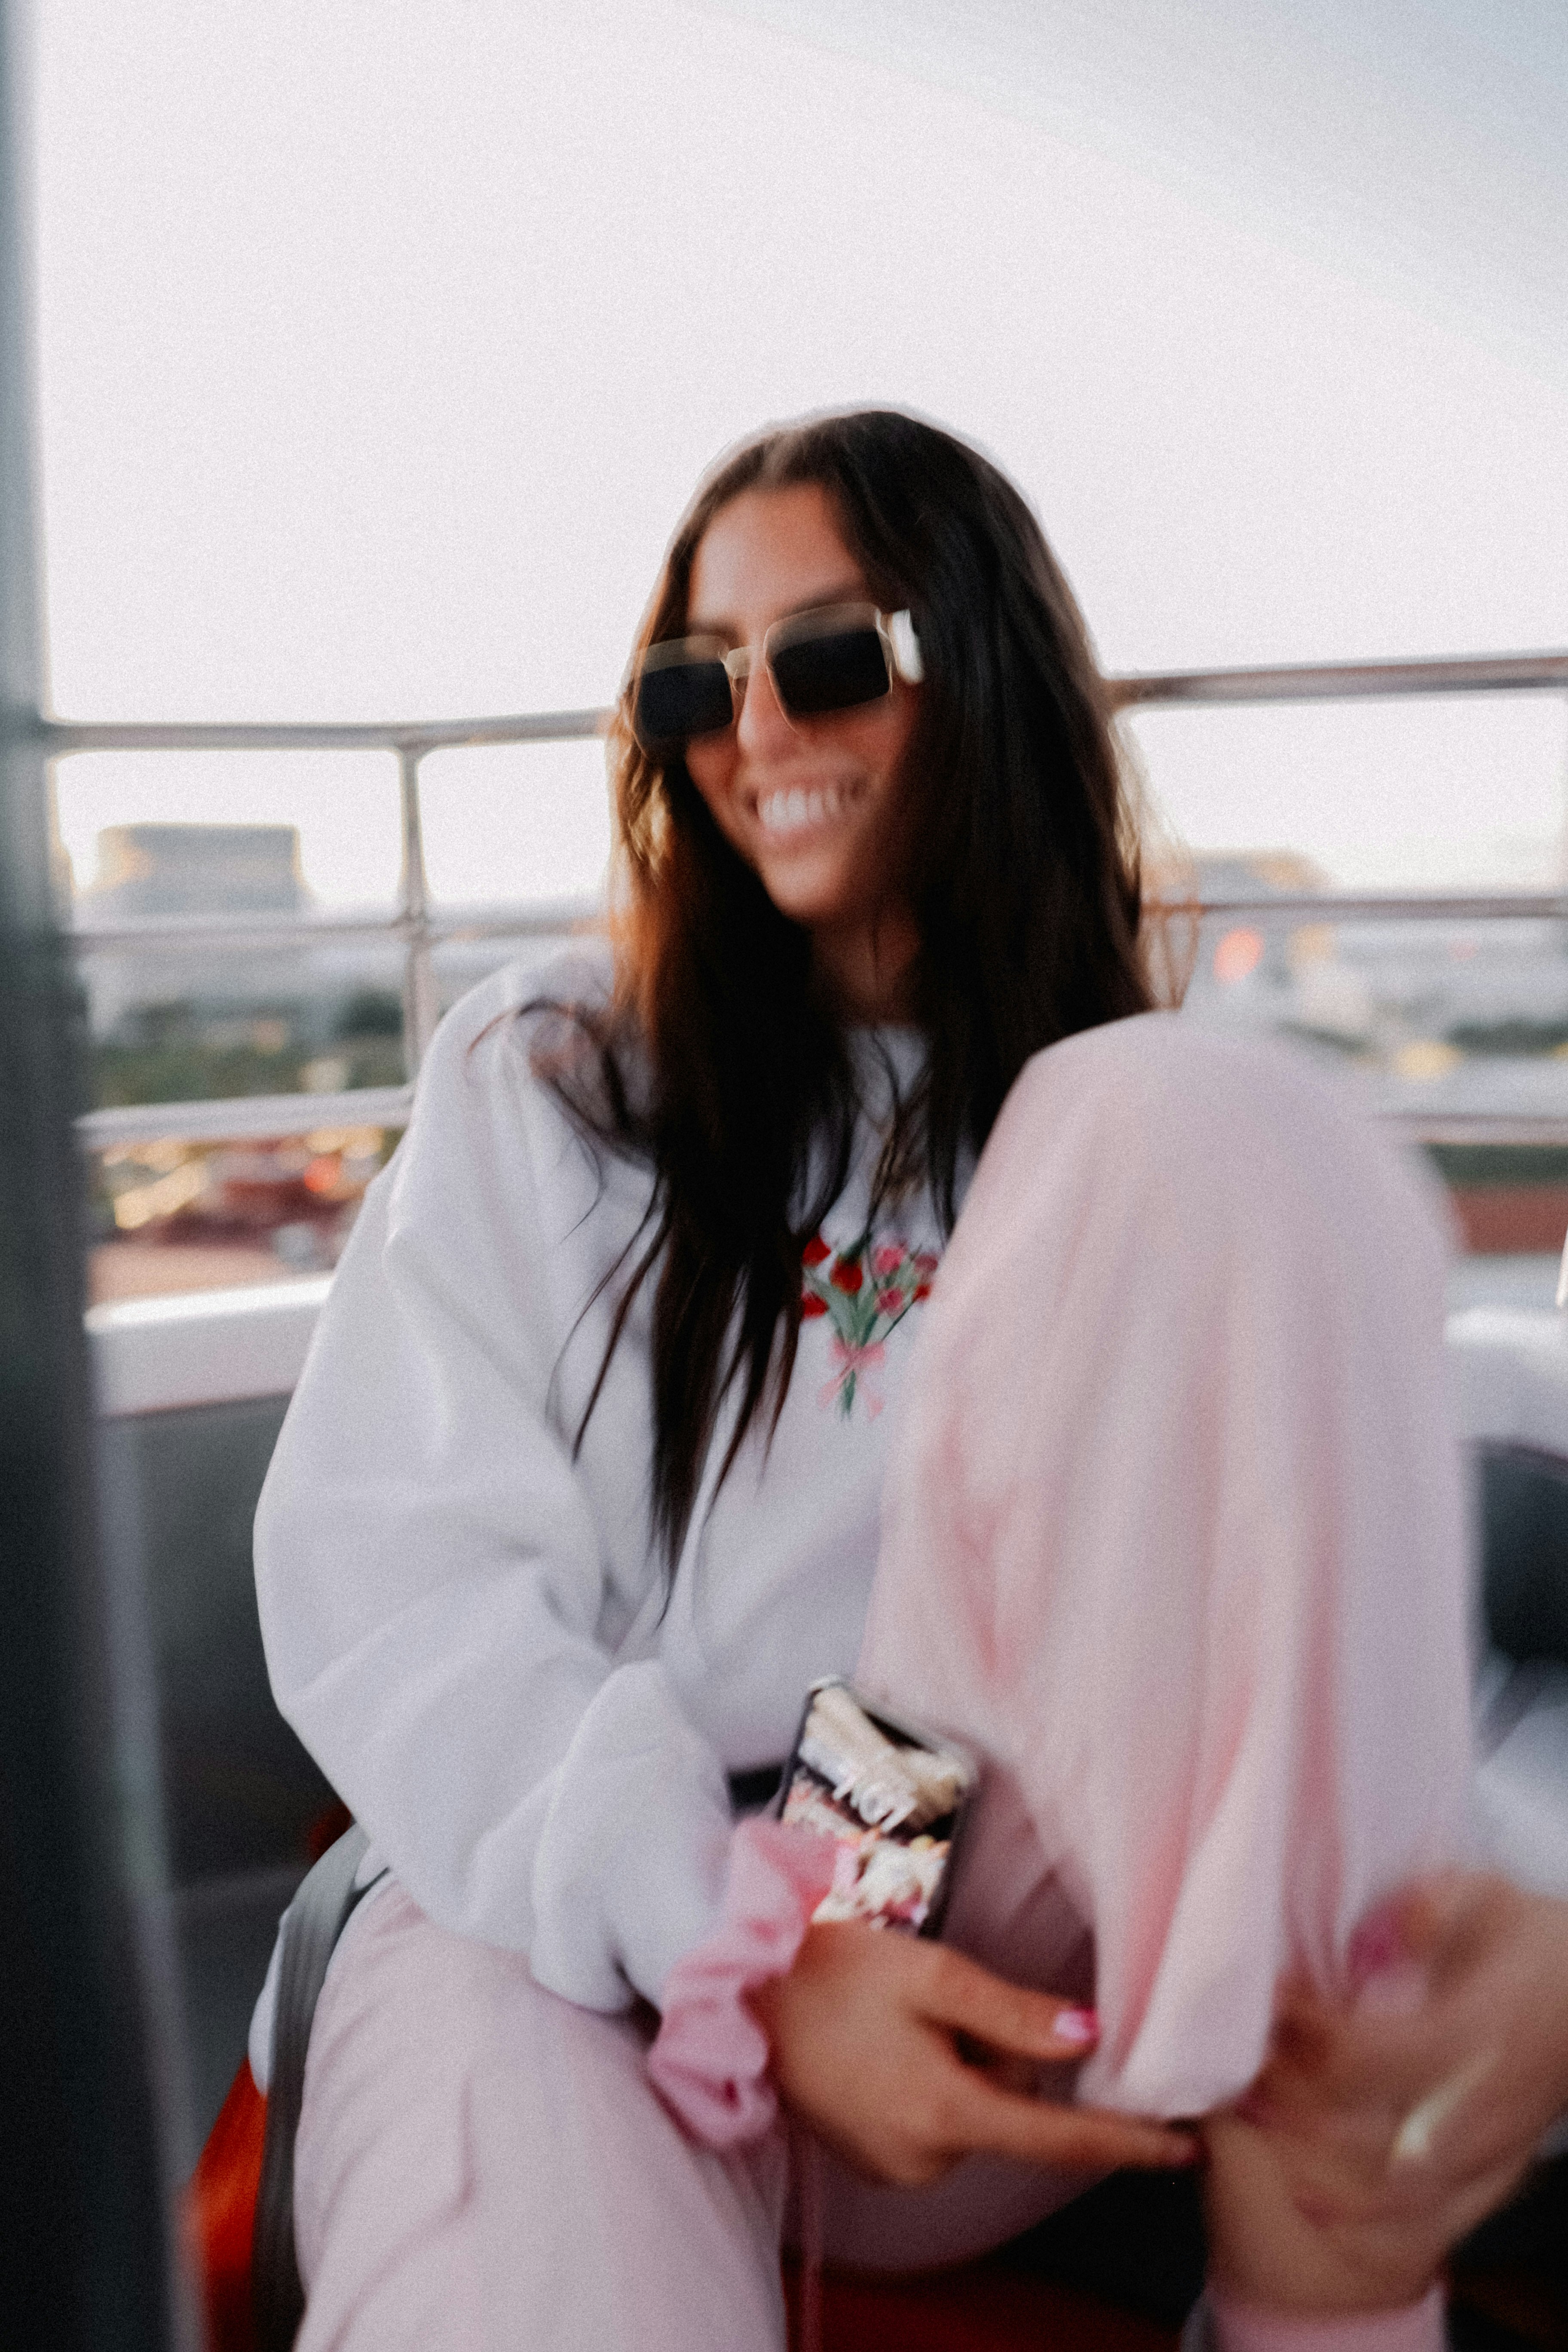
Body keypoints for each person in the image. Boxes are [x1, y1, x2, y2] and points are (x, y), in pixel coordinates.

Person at [251, 408, 1507, 2352]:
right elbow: (406, 1595)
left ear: (984, 669)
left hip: (955, 1895)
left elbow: (1308, 1604)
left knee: (1201, 1112)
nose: (755, 728)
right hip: (577, 1915)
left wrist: (1515, 1887)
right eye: (697, 682)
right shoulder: (556, 1074)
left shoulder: (1123, 1138)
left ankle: (1324, 2255)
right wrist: (736, 1945)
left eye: (829, 656)